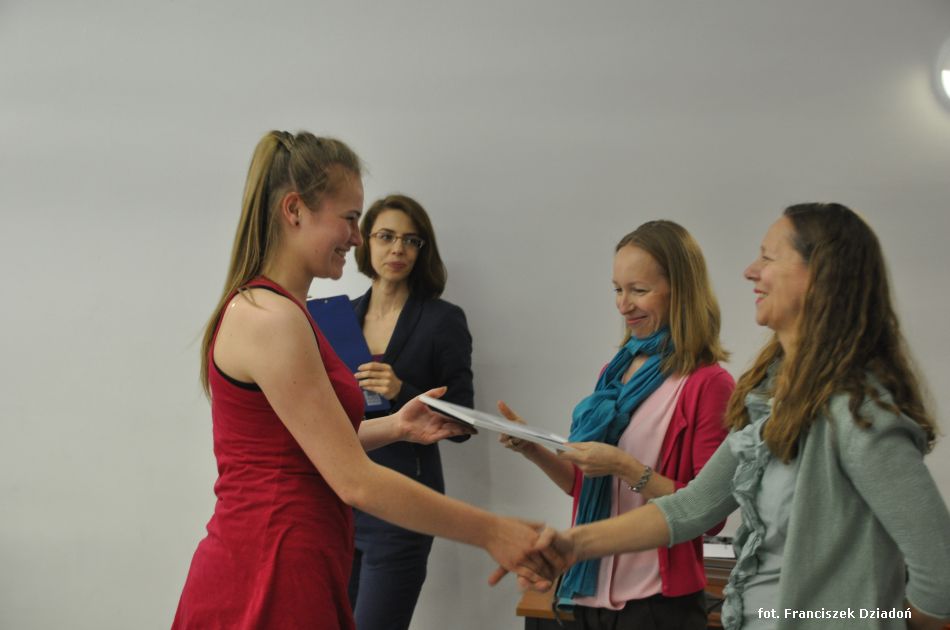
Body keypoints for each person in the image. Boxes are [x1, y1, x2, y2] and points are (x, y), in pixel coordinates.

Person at [172, 131, 549, 630]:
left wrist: (396, 426)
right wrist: (493, 531)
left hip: (294, 553)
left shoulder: (283, 312)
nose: (356, 238)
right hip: (270, 564)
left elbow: (303, 445)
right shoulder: (272, 319)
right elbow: (355, 481)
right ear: (294, 210)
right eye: (350, 218)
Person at [529, 203, 950, 630]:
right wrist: (571, 544)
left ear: (819, 276)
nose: (751, 271)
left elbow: (941, 578)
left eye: (768, 257)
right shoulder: (771, 398)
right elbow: (692, 506)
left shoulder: (860, 415)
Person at [498, 220, 734, 629]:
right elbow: (584, 484)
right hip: (590, 594)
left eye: (638, 290)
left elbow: (709, 515)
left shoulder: (709, 383)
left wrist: (625, 466)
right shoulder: (615, 371)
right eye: (617, 289)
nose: (623, 305)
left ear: (681, 290)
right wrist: (531, 447)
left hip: (657, 604)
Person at [347, 194, 474, 629]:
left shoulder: (442, 320)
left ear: (422, 250)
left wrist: (402, 390)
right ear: (365, 241)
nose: (397, 249)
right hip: (342, 498)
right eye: (386, 236)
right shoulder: (340, 317)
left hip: (404, 502)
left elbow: (464, 422)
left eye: (410, 240)